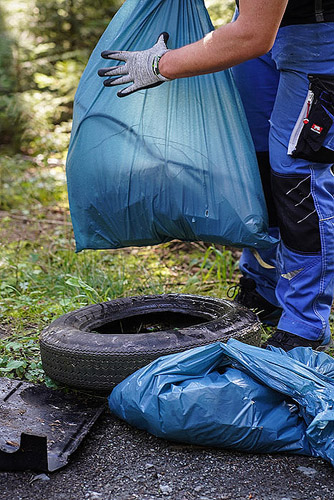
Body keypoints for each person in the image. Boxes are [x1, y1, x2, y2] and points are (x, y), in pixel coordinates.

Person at [98, 0, 334, 351]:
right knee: (253, 160)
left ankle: (304, 320)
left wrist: (160, 65)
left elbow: (253, 37)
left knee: (295, 176)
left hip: (319, 34)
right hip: (263, 24)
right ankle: (265, 287)